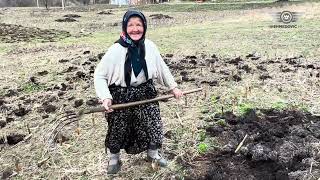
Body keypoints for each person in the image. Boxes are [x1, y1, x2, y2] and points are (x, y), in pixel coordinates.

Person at [94, 10, 183, 174]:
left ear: (145, 27)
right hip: (122, 96)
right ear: (124, 27)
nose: (135, 29)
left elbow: (162, 68)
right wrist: (106, 97)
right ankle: (114, 159)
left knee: (153, 124)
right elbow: (100, 75)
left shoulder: (150, 46)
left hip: (146, 92)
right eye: (131, 25)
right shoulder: (115, 50)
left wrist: (173, 87)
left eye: (139, 25)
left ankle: (153, 154)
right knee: (117, 129)